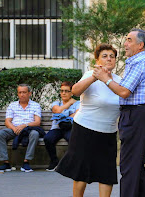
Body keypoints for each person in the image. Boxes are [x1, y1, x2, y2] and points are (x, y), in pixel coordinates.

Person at [93, 29, 145, 197]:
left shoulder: (139, 63)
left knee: (129, 166)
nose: (125, 44)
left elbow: (124, 92)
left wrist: (105, 78)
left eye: (129, 40)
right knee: (135, 165)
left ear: (140, 45)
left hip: (136, 115)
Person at [56, 43, 121, 197]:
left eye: (112, 56)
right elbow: (75, 91)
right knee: (81, 171)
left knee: (107, 172)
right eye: (104, 56)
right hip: (85, 129)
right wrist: (94, 76)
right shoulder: (89, 75)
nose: (109, 59)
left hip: (108, 132)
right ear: (97, 60)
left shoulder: (119, 80)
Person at [0, 84, 42, 173]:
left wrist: (24, 125)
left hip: (28, 129)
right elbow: (7, 121)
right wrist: (14, 128)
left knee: (35, 134)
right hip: (14, 129)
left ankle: (26, 162)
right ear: (17, 94)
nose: (22, 95)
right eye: (20, 92)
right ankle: (6, 163)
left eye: (24, 92)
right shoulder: (12, 105)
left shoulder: (35, 105)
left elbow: (37, 122)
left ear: (29, 93)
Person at [44, 81, 80, 171]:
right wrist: (69, 103)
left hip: (70, 127)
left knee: (73, 139)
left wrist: (64, 114)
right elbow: (57, 110)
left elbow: (78, 114)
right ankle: (54, 161)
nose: (63, 93)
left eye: (66, 91)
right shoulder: (56, 103)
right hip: (57, 128)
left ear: (71, 93)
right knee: (48, 139)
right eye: (62, 91)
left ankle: (71, 162)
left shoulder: (78, 103)